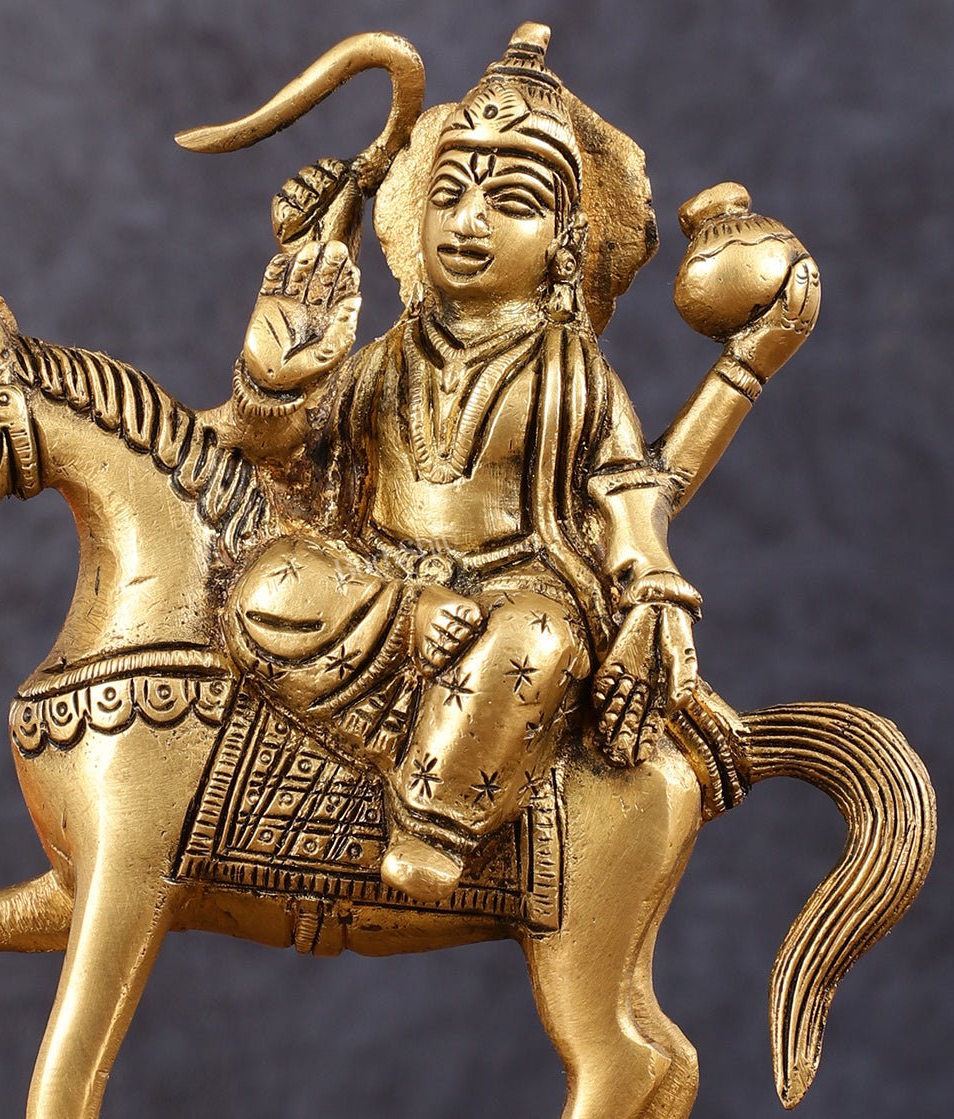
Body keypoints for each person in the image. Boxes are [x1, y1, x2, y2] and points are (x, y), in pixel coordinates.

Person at [213, 25, 702, 902]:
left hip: (515, 589)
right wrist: (274, 383)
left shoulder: (574, 373)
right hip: (384, 587)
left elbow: (629, 493)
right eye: (449, 193)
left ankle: (435, 815)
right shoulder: (381, 359)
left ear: (566, 238)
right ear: (417, 216)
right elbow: (285, 471)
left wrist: (653, 602)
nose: (469, 222)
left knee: (537, 642)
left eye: (510, 202)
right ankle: (420, 684)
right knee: (266, 582)